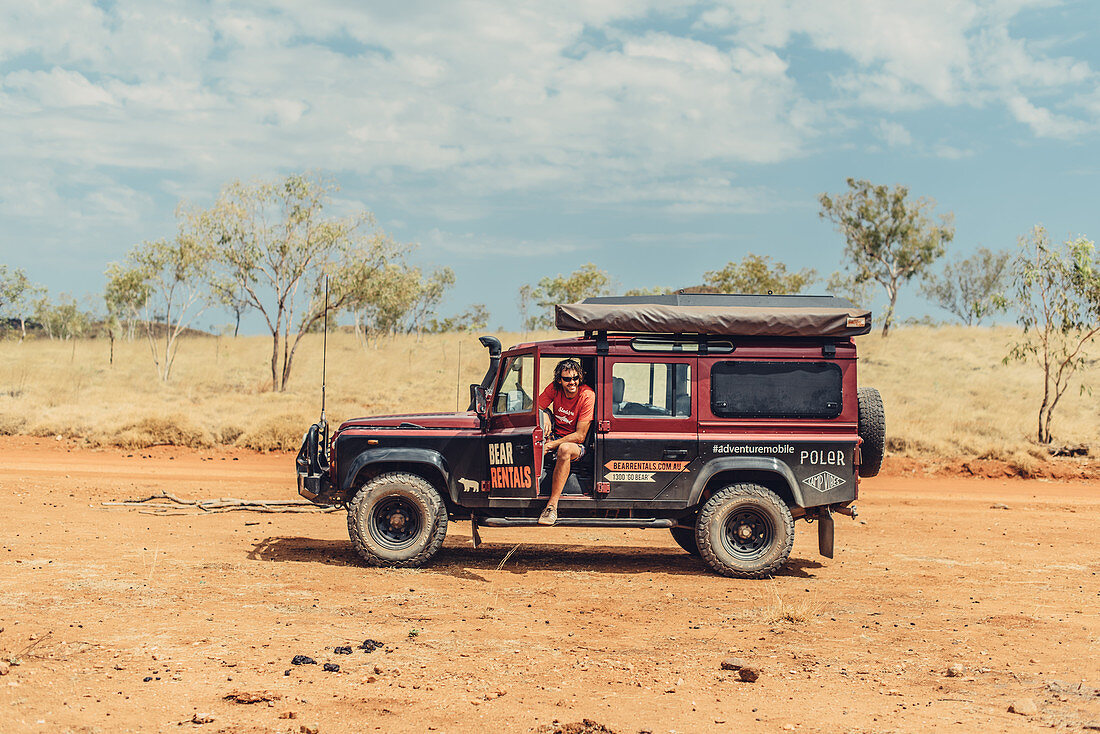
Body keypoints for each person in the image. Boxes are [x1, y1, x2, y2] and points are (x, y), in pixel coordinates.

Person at [536, 358, 595, 525]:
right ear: (560, 380)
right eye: (567, 379)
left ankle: (551, 507)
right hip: (555, 435)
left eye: (575, 378)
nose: (572, 382)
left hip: (577, 445)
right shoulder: (555, 388)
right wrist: (546, 414)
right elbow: (536, 408)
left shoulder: (587, 395)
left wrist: (550, 445)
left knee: (564, 449)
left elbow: (580, 436)